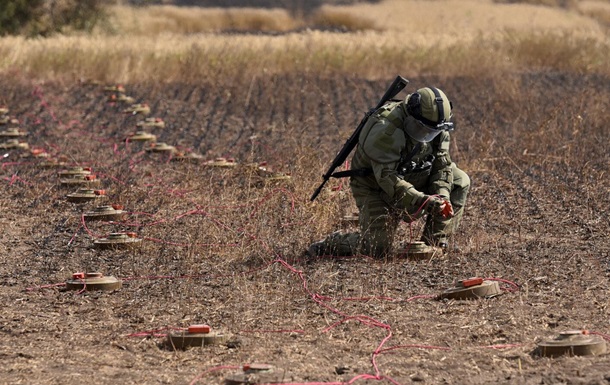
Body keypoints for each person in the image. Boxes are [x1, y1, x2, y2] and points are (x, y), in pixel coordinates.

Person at [308, 86, 470, 258]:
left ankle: (435, 242)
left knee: (460, 180)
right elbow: (387, 178)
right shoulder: (385, 129)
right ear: (411, 115)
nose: (427, 135)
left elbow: (442, 166)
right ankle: (332, 244)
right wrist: (422, 200)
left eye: (433, 131)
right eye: (423, 129)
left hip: (415, 175)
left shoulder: (437, 126)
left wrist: (442, 197)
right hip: (376, 187)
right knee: (378, 247)